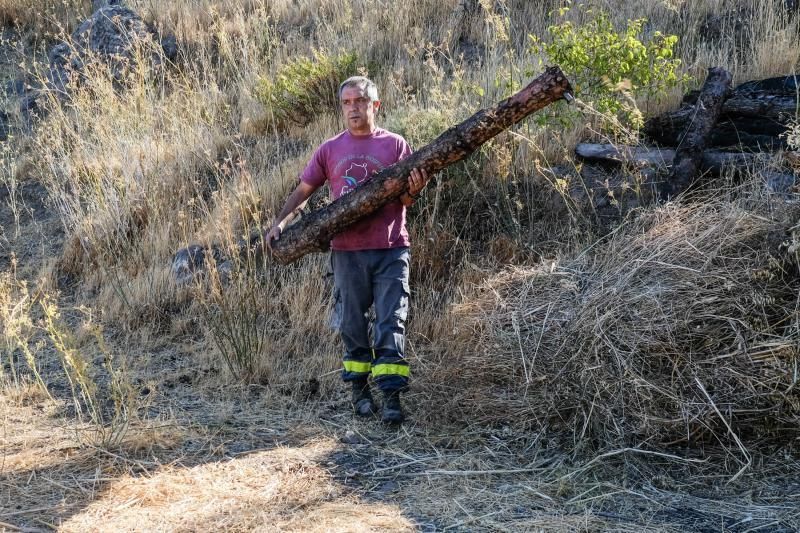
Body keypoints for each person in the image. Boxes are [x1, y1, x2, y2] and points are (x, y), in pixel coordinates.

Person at [266, 76, 430, 424]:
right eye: (347, 103)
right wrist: (280, 222)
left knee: (391, 322)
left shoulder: (396, 145)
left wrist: (413, 192)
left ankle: (391, 398)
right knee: (352, 324)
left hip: (391, 249)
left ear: (375, 105)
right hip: (347, 251)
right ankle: (359, 391)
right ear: (341, 107)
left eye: (360, 101)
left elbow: (405, 199)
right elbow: (304, 190)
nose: (353, 108)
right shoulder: (330, 149)